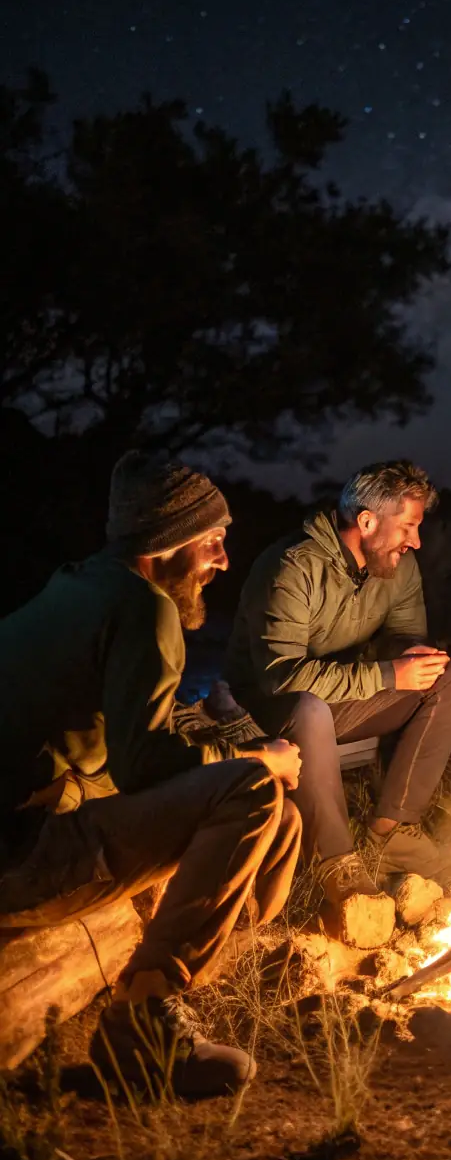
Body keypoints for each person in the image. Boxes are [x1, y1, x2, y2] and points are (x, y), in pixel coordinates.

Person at [0, 451, 302, 1096]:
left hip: (26, 825)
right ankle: (143, 1021)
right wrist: (257, 758)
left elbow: (104, 738)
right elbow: (143, 768)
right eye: (213, 543)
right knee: (253, 790)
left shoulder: (75, 585)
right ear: (167, 544)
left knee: (277, 811)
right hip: (23, 857)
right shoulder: (145, 607)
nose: (223, 561)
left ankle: (205, 966)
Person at [224, 460, 451, 932]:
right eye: (409, 527)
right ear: (366, 522)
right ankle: (337, 863)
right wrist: (386, 675)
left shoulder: (398, 568)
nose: (416, 542)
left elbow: (401, 636)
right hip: (267, 708)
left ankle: (393, 830)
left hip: (338, 697)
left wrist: (410, 655)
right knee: (310, 707)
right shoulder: (293, 567)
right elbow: (283, 679)